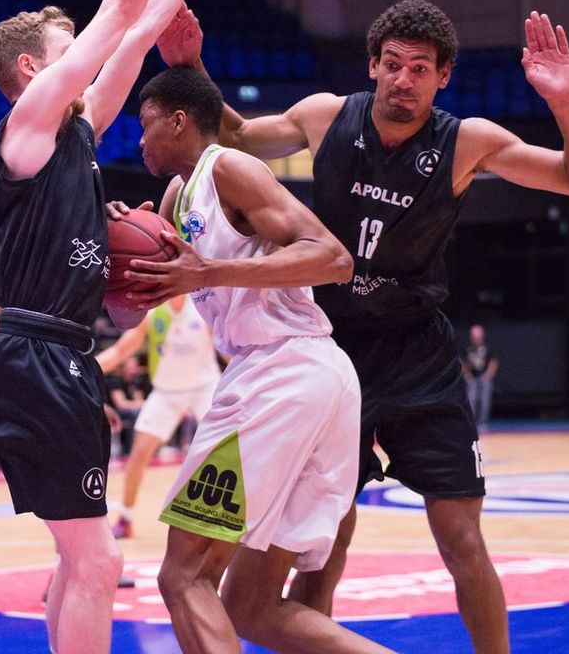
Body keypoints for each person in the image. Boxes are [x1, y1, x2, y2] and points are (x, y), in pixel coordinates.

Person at [156, 0, 569, 652]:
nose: (403, 79)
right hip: (334, 349)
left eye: (419, 68)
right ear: (373, 66)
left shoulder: (467, 141)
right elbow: (238, 138)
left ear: (443, 76)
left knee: (462, 539)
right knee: (325, 545)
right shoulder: (326, 116)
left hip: (418, 351)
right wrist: (192, 65)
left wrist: (563, 100)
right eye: (392, 64)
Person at [0, 0, 216, 651]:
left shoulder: (76, 132)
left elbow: (139, 33)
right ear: (30, 68)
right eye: (67, 45)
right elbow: (117, 13)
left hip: (64, 354)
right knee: (99, 559)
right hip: (36, 353)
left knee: (76, 557)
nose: (84, 50)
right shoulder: (28, 124)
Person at [113, 66, 390, 653]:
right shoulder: (175, 198)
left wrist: (210, 271)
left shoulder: (230, 169)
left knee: (184, 575)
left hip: (281, 372)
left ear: (179, 121)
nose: (138, 140)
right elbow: (127, 317)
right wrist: (118, 249)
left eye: (146, 123)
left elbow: (334, 259)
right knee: (251, 607)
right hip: (303, 380)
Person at [95, 294, 221, 539]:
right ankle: (126, 519)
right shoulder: (153, 311)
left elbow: (227, 350)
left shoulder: (202, 306)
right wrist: (84, 367)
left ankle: (229, 518)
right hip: (166, 391)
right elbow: (121, 350)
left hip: (205, 387)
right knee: (138, 456)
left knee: (224, 452)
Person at [105, 356, 149, 457]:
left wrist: (144, 405)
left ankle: (146, 447)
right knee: (134, 413)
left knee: (146, 413)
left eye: (134, 365)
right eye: (130, 366)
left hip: (130, 410)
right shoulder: (115, 380)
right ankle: (131, 450)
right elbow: (121, 404)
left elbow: (139, 401)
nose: (133, 368)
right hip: (114, 412)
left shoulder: (135, 380)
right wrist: (141, 404)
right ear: (124, 367)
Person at [462, 324, 499, 430]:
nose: (476, 340)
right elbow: (463, 363)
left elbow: (493, 362)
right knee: (471, 398)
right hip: (472, 377)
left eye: (478, 338)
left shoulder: (487, 349)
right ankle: (472, 421)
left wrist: (488, 374)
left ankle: (483, 421)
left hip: (484, 376)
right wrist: (467, 374)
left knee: (484, 399)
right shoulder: (468, 350)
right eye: (474, 338)